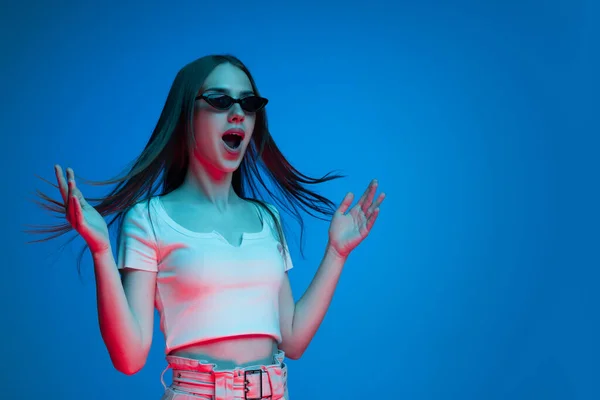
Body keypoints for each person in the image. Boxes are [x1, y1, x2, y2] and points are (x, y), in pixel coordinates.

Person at [31, 54, 385, 400]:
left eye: (248, 104)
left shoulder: (268, 219)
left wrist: (337, 253)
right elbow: (130, 357)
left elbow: (291, 338)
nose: (238, 113)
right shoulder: (150, 219)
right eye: (219, 100)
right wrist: (101, 250)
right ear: (186, 115)